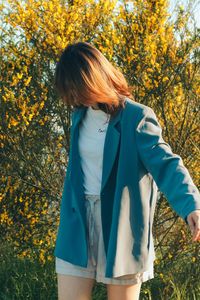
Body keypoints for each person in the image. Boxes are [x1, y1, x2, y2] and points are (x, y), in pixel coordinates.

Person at [53, 41, 200, 300]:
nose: (75, 96)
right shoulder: (79, 116)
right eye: (70, 89)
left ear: (95, 78)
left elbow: (167, 164)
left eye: (78, 87)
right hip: (77, 224)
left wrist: (192, 205)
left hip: (121, 227)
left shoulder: (136, 117)